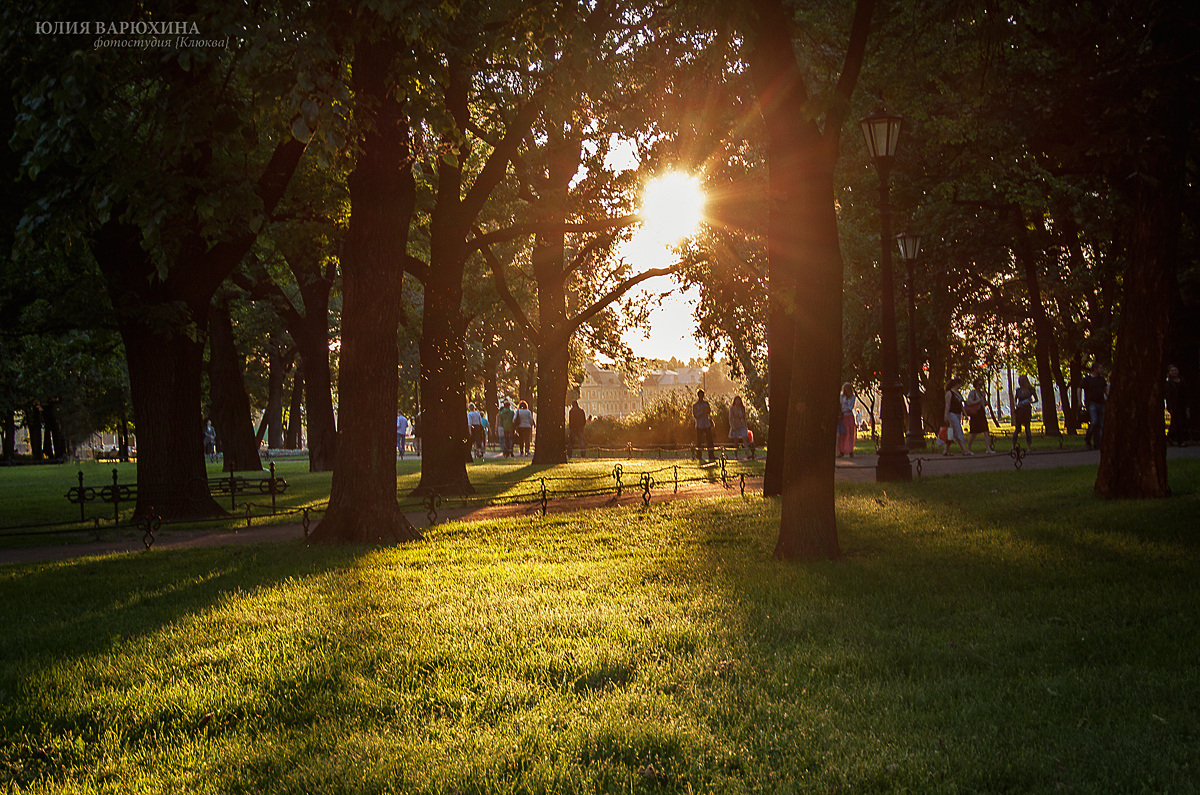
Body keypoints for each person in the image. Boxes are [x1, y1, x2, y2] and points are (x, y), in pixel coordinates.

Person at [1081, 363, 1108, 450]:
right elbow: (1079, 388)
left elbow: (1106, 390)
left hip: (1101, 403)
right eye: (1100, 368)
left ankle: (1097, 443)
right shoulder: (1087, 379)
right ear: (1095, 369)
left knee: (1100, 424)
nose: (1102, 370)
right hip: (1092, 403)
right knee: (1094, 421)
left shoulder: (1102, 380)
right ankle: (1088, 438)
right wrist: (1079, 401)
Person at [964, 377, 995, 454]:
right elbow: (969, 402)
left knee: (986, 431)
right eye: (979, 384)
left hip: (981, 413)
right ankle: (968, 449)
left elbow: (983, 403)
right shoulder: (973, 393)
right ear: (976, 385)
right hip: (975, 414)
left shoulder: (982, 393)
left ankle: (988, 448)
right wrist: (979, 400)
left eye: (982, 384)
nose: (981, 386)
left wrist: (985, 402)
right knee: (973, 433)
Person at [943, 377, 969, 456]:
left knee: (952, 433)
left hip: (957, 414)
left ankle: (946, 450)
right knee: (958, 429)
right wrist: (946, 415)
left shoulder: (958, 394)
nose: (961, 386)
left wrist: (965, 414)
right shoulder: (949, 393)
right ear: (956, 384)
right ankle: (964, 449)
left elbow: (961, 405)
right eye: (960, 384)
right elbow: (948, 405)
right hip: (951, 414)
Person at [1166, 364, 1189, 446]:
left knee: (1179, 422)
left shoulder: (1182, 380)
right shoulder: (1169, 383)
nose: (1174, 372)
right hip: (1175, 405)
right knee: (1178, 422)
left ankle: (1169, 437)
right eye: (1172, 371)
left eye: (1175, 370)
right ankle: (1180, 441)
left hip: (1182, 404)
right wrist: (1170, 407)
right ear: (1169, 372)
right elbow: (1168, 395)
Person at [1012, 375, 1037, 449]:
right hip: (1020, 410)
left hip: (1026, 410)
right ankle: (1013, 445)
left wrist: (1029, 402)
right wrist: (1017, 405)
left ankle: (1029, 446)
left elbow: (1036, 399)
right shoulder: (1018, 390)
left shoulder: (1031, 390)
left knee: (1027, 429)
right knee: (1017, 429)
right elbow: (1015, 400)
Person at [692, 389, 715, 463]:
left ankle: (711, 455)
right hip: (700, 425)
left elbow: (709, 411)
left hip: (706, 424)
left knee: (710, 441)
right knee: (699, 441)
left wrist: (707, 410)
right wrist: (702, 411)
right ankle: (699, 455)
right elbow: (696, 415)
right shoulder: (695, 405)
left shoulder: (706, 403)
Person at [728, 395, 749, 460]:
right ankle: (736, 455)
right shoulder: (732, 408)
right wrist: (732, 426)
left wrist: (745, 426)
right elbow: (731, 418)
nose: (738, 401)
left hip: (742, 424)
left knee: (745, 438)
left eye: (739, 400)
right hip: (735, 425)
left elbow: (744, 418)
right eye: (737, 400)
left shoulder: (742, 408)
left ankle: (748, 453)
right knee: (736, 441)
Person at [838, 383, 857, 457]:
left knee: (851, 432)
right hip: (843, 416)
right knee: (843, 433)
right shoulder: (842, 397)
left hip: (849, 415)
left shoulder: (852, 397)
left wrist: (845, 408)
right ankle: (842, 450)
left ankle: (850, 450)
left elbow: (850, 407)